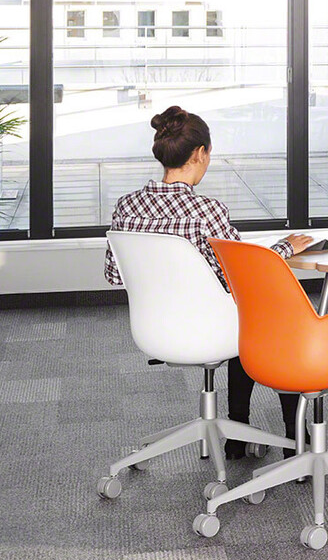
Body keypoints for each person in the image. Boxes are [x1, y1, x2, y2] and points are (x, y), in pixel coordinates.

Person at [103, 106, 316, 459]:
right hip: (209, 330)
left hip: (154, 329)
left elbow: (114, 275)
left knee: (242, 314)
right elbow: (243, 272)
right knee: (270, 314)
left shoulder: (126, 207)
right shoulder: (206, 211)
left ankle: (238, 434)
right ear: (200, 153)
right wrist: (285, 247)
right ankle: (295, 436)